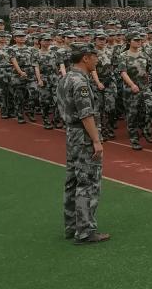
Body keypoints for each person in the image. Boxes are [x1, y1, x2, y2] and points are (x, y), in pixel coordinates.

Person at [57, 43, 109, 245]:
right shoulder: (80, 82)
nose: (97, 59)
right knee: (87, 182)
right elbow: (86, 114)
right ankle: (85, 231)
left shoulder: (66, 78)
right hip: (84, 136)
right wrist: (96, 140)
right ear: (85, 58)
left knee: (72, 180)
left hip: (72, 134)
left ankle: (72, 226)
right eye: (95, 56)